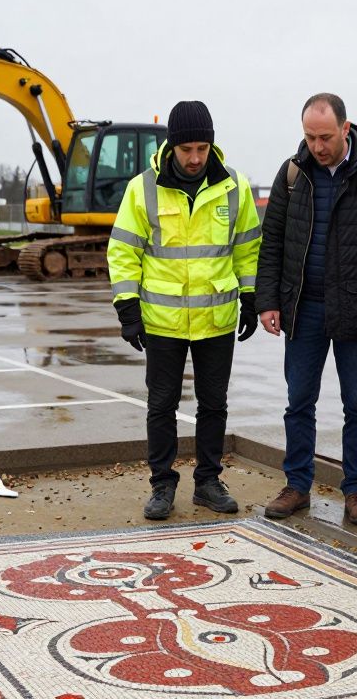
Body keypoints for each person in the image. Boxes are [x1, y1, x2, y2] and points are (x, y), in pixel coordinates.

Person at [254, 93, 357, 525]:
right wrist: (267, 300)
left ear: (345, 128)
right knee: (298, 401)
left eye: (325, 136)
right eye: (310, 136)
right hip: (303, 310)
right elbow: (273, 243)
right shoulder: (292, 174)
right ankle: (297, 485)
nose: (318, 146)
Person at [107, 100, 261, 521]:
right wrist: (127, 307)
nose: (195, 159)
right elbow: (123, 251)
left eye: (202, 149)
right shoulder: (143, 188)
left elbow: (248, 248)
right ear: (172, 147)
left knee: (214, 404)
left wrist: (250, 296)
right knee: (161, 405)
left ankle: (209, 482)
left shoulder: (235, 185)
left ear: (212, 145)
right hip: (163, 320)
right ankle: (161, 485)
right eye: (186, 149)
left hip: (216, 317)